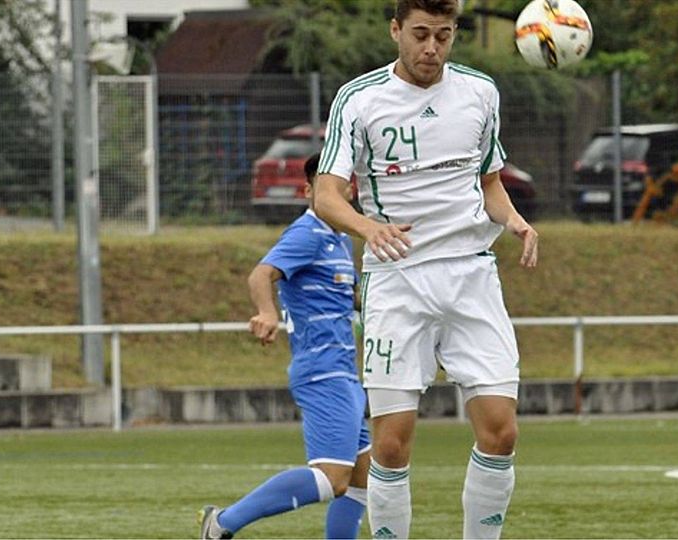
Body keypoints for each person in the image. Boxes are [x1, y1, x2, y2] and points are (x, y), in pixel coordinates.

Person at [312, 1, 539, 538]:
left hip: (470, 275)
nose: (431, 48)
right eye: (419, 34)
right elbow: (326, 195)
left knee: (501, 432)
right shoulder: (359, 99)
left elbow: (487, 181)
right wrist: (369, 229)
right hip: (397, 280)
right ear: (395, 31)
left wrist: (515, 221)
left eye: (443, 35)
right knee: (390, 444)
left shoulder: (481, 93)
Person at [199, 154, 371, 540]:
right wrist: (266, 312)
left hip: (342, 369)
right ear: (310, 192)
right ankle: (222, 523)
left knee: (360, 476)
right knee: (332, 479)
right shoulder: (306, 234)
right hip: (323, 370)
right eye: (318, 186)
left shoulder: (340, 239)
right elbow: (261, 274)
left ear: (350, 189)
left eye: (339, 184)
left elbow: (353, 298)